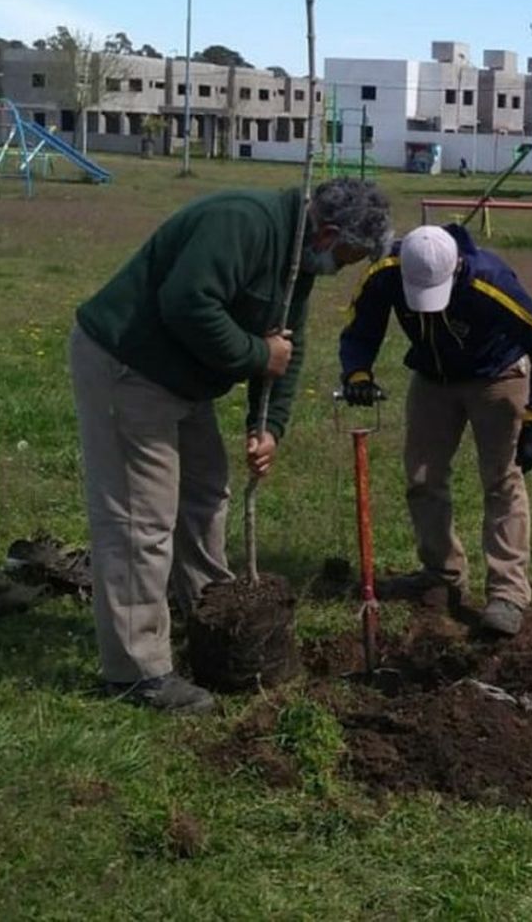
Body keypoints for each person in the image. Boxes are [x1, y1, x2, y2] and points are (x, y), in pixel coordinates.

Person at [69, 178, 392, 713]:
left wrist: (270, 426)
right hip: (130, 365)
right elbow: (187, 303)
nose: (346, 267)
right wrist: (254, 355)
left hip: (184, 378)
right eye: (350, 255)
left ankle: (210, 623)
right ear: (329, 232)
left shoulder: (297, 258)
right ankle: (135, 671)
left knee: (206, 496)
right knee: (139, 521)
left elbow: (289, 344)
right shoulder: (242, 222)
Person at [338, 223, 532, 636]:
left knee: (502, 482)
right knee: (423, 478)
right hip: (432, 379)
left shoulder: (491, 282)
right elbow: (363, 323)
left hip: (497, 376)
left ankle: (508, 595)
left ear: (456, 269)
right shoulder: (386, 270)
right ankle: (441, 576)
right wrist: (357, 373)